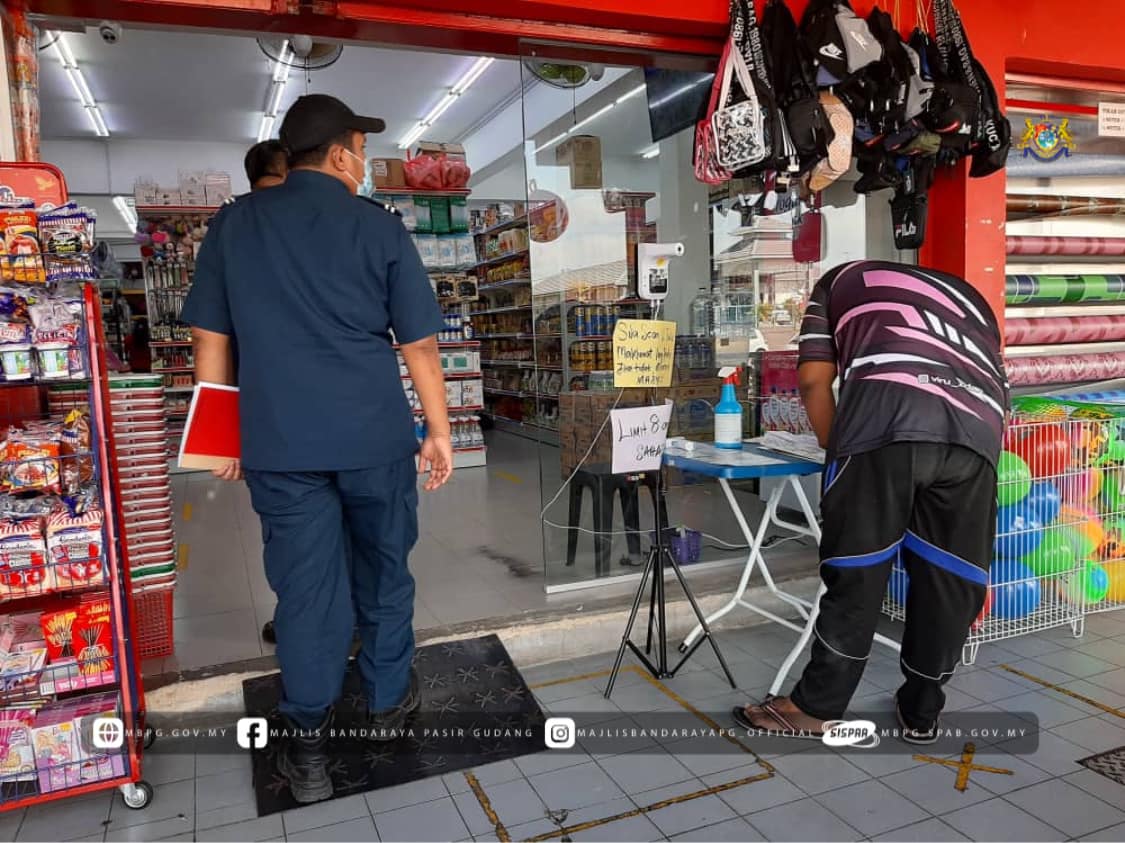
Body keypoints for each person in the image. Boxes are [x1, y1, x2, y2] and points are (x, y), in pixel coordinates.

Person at [181, 93, 453, 803]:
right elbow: (418, 344)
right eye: (361, 149)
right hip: (373, 436)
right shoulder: (377, 229)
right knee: (384, 570)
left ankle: (306, 748)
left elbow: (209, 339)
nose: (363, 163)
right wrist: (439, 430)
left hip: (279, 442)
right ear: (339, 154)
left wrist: (218, 436)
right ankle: (388, 703)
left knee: (305, 592)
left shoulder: (234, 225)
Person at [735, 259, 1009, 744]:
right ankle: (922, 710)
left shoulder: (835, 283)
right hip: (977, 435)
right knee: (951, 578)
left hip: (883, 424)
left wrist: (835, 451)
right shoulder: (971, 297)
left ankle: (814, 708)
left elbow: (815, 381)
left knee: (856, 573)